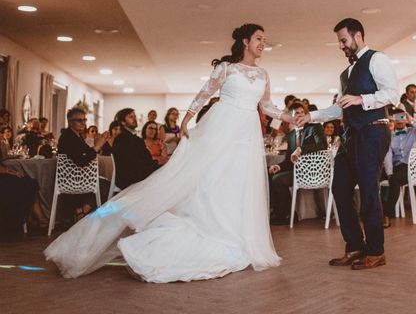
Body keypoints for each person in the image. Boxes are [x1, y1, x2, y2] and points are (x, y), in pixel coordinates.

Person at [45, 23, 295, 283]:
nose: (263, 43)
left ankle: (236, 237)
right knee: (212, 182)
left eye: (264, 40)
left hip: (246, 137)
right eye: (258, 38)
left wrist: (292, 117)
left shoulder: (263, 74)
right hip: (223, 130)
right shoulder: (226, 68)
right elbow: (204, 94)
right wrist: (187, 118)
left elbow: (267, 106)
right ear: (245, 41)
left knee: (239, 185)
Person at [297, 18, 399, 270]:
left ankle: (376, 251)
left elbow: (392, 94)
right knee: (340, 189)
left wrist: (361, 99)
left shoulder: (377, 59)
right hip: (350, 137)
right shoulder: (345, 74)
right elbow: (339, 106)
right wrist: (310, 116)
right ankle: (354, 247)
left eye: (344, 40)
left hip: (373, 132)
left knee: (368, 192)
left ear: (358, 36)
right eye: (339, 42)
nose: (341, 46)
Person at [268, 102, 326, 225]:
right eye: (296, 114)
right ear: (291, 117)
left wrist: (301, 149)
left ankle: (289, 214)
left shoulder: (314, 128)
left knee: (278, 179)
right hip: (296, 170)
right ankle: (277, 212)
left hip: (312, 171)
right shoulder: (291, 135)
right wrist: (278, 166)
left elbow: (322, 145)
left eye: (301, 112)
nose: (300, 115)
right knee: (270, 173)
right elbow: (288, 159)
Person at [57, 108, 111, 220]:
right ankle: (82, 211)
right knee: (107, 185)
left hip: (79, 176)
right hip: (72, 178)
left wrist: (98, 143)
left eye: (84, 120)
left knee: (105, 182)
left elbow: (87, 152)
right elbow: (81, 161)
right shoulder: (67, 137)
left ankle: (82, 211)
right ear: (70, 122)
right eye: (79, 120)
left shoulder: (77, 136)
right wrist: (97, 146)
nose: (83, 123)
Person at [382, 111, 416, 226]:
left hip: (412, 168)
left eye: (402, 117)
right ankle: (374, 212)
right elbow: (388, 155)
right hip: (396, 168)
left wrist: (412, 122)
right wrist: (389, 172)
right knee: (375, 178)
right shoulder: (389, 135)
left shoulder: (414, 132)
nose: (400, 121)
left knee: (394, 180)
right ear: (393, 120)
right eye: (397, 118)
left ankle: (386, 215)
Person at [111, 109, 162, 190]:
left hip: (135, 172)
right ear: (123, 122)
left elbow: (145, 157)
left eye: (135, 116)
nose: (134, 118)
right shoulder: (122, 139)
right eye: (130, 117)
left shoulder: (134, 138)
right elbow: (132, 162)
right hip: (128, 177)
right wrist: (155, 164)